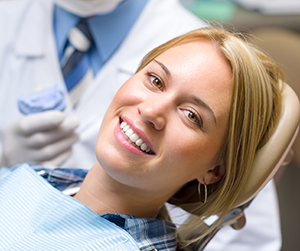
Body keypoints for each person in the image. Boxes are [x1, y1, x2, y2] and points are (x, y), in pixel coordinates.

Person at [0, 0, 282, 250]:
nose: (149, 110)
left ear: (215, 170)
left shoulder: (208, 57)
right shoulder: (37, 181)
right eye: (156, 80)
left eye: (191, 116)